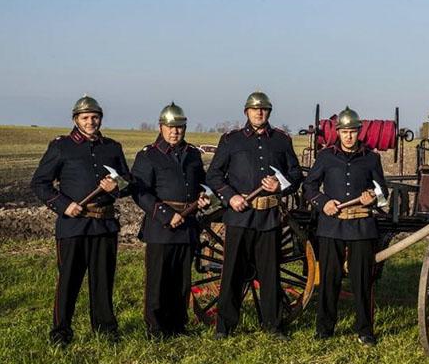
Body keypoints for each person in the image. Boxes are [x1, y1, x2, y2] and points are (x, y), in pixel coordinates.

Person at [31, 95, 131, 346]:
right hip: (73, 225)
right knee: (69, 280)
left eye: (95, 117)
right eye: (85, 117)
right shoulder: (61, 146)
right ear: (76, 119)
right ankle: (61, 332)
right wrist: (64, 206)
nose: (91, 121)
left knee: (103, 279)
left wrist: (114, 186)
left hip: (104, 225)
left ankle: (105, 328)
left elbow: (128, 182)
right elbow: (40, 183)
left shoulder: (112, 147)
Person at [206, 91, 302, 340]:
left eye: (264, 109)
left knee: (270, 273)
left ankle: (273, 326)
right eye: (255, 109)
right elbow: (214, 176)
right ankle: (224, 326)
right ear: (246, 112)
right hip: (239, 217)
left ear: (269, 112)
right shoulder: (231, 141)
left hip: (268, 216)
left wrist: (280, 186)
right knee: (232, 273)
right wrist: (230, 197)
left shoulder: (281, 140)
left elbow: (295, 176)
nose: (259, 113)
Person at [304, 107, 388, 346]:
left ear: (359, 132)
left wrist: (374, 197)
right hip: (332, 226)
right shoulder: (325, 157)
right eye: (344, 132)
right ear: (338, 132)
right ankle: (325, 328)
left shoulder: (371, 158)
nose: (349, 136)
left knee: (362, 281)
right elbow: (309, 187)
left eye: (353, 131)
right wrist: (323, 203)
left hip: (362, 225)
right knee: (330, 279)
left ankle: (364, 330)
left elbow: (384, 193)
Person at [131, 102, 209, 339]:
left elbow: (202, 185)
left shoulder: (193, 155)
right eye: (171, 127)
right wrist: (166, 214)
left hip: (187, 227)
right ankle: (156, 327)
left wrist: (204, 198)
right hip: (161, 226)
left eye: (180, 127)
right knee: (158, 279)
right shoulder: (149, 155)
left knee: (181, 279)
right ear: (161, 127)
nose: (175, 132)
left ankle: (178, 324)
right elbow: (140, 192)